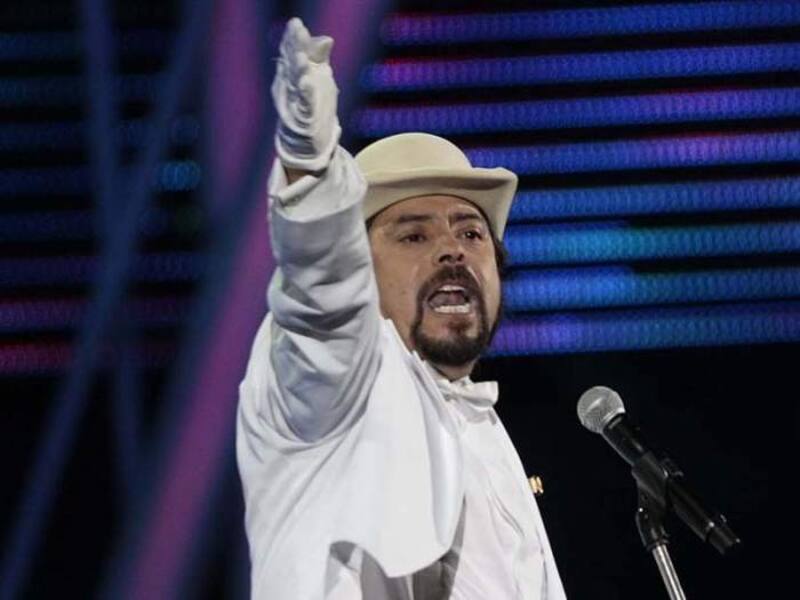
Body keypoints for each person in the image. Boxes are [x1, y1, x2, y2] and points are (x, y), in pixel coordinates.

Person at [236, 17, 567, 600]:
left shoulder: (481, 424)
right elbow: (320, 297)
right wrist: (308, 166)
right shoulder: (334, 387)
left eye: (471, 233)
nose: (452, 250)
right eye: (413, 236)